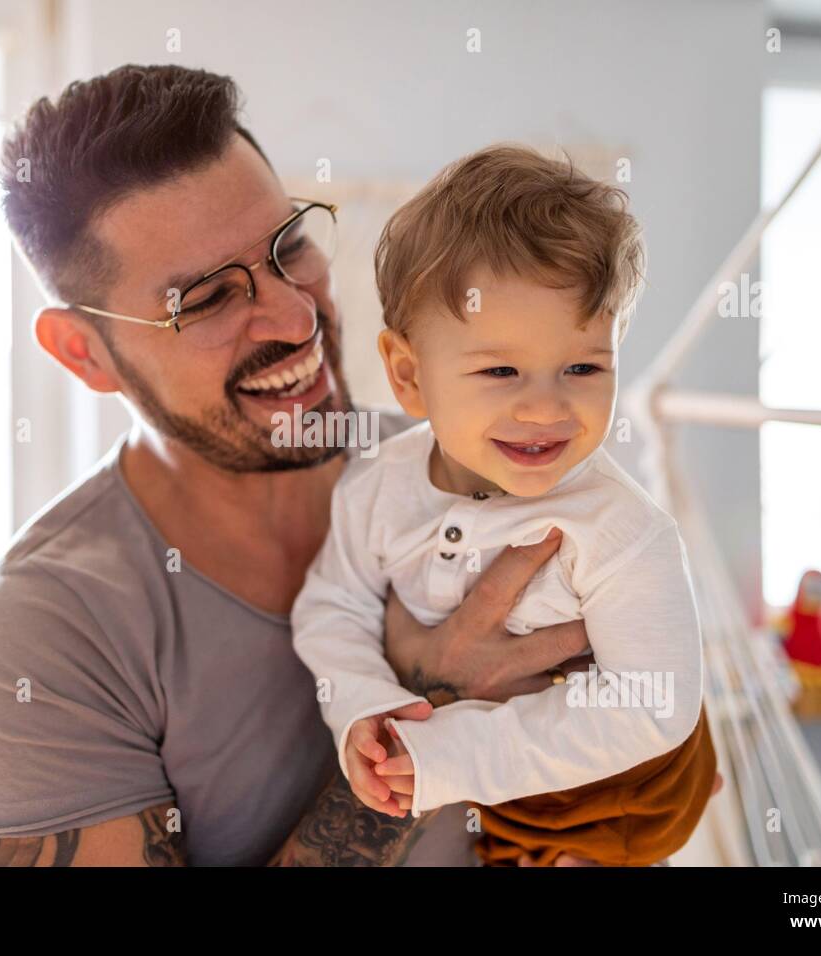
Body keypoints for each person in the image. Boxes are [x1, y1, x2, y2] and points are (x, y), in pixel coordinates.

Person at [0, 64, 707, 866]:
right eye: (205, 299)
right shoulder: (39, 640)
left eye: (290, 246)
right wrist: (434, 702)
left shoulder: (477, 460)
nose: (296, 313)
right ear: (84, 353)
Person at [292, 145, 717, 865]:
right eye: (500, 370)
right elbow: (331, 607)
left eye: (583, 367)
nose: (546, 406)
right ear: (408, 375)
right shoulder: (377, 488)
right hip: (496, 816)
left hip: (621, 804)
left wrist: (454, 752)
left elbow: (652, 706)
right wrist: (360, 704)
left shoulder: (620, 530)